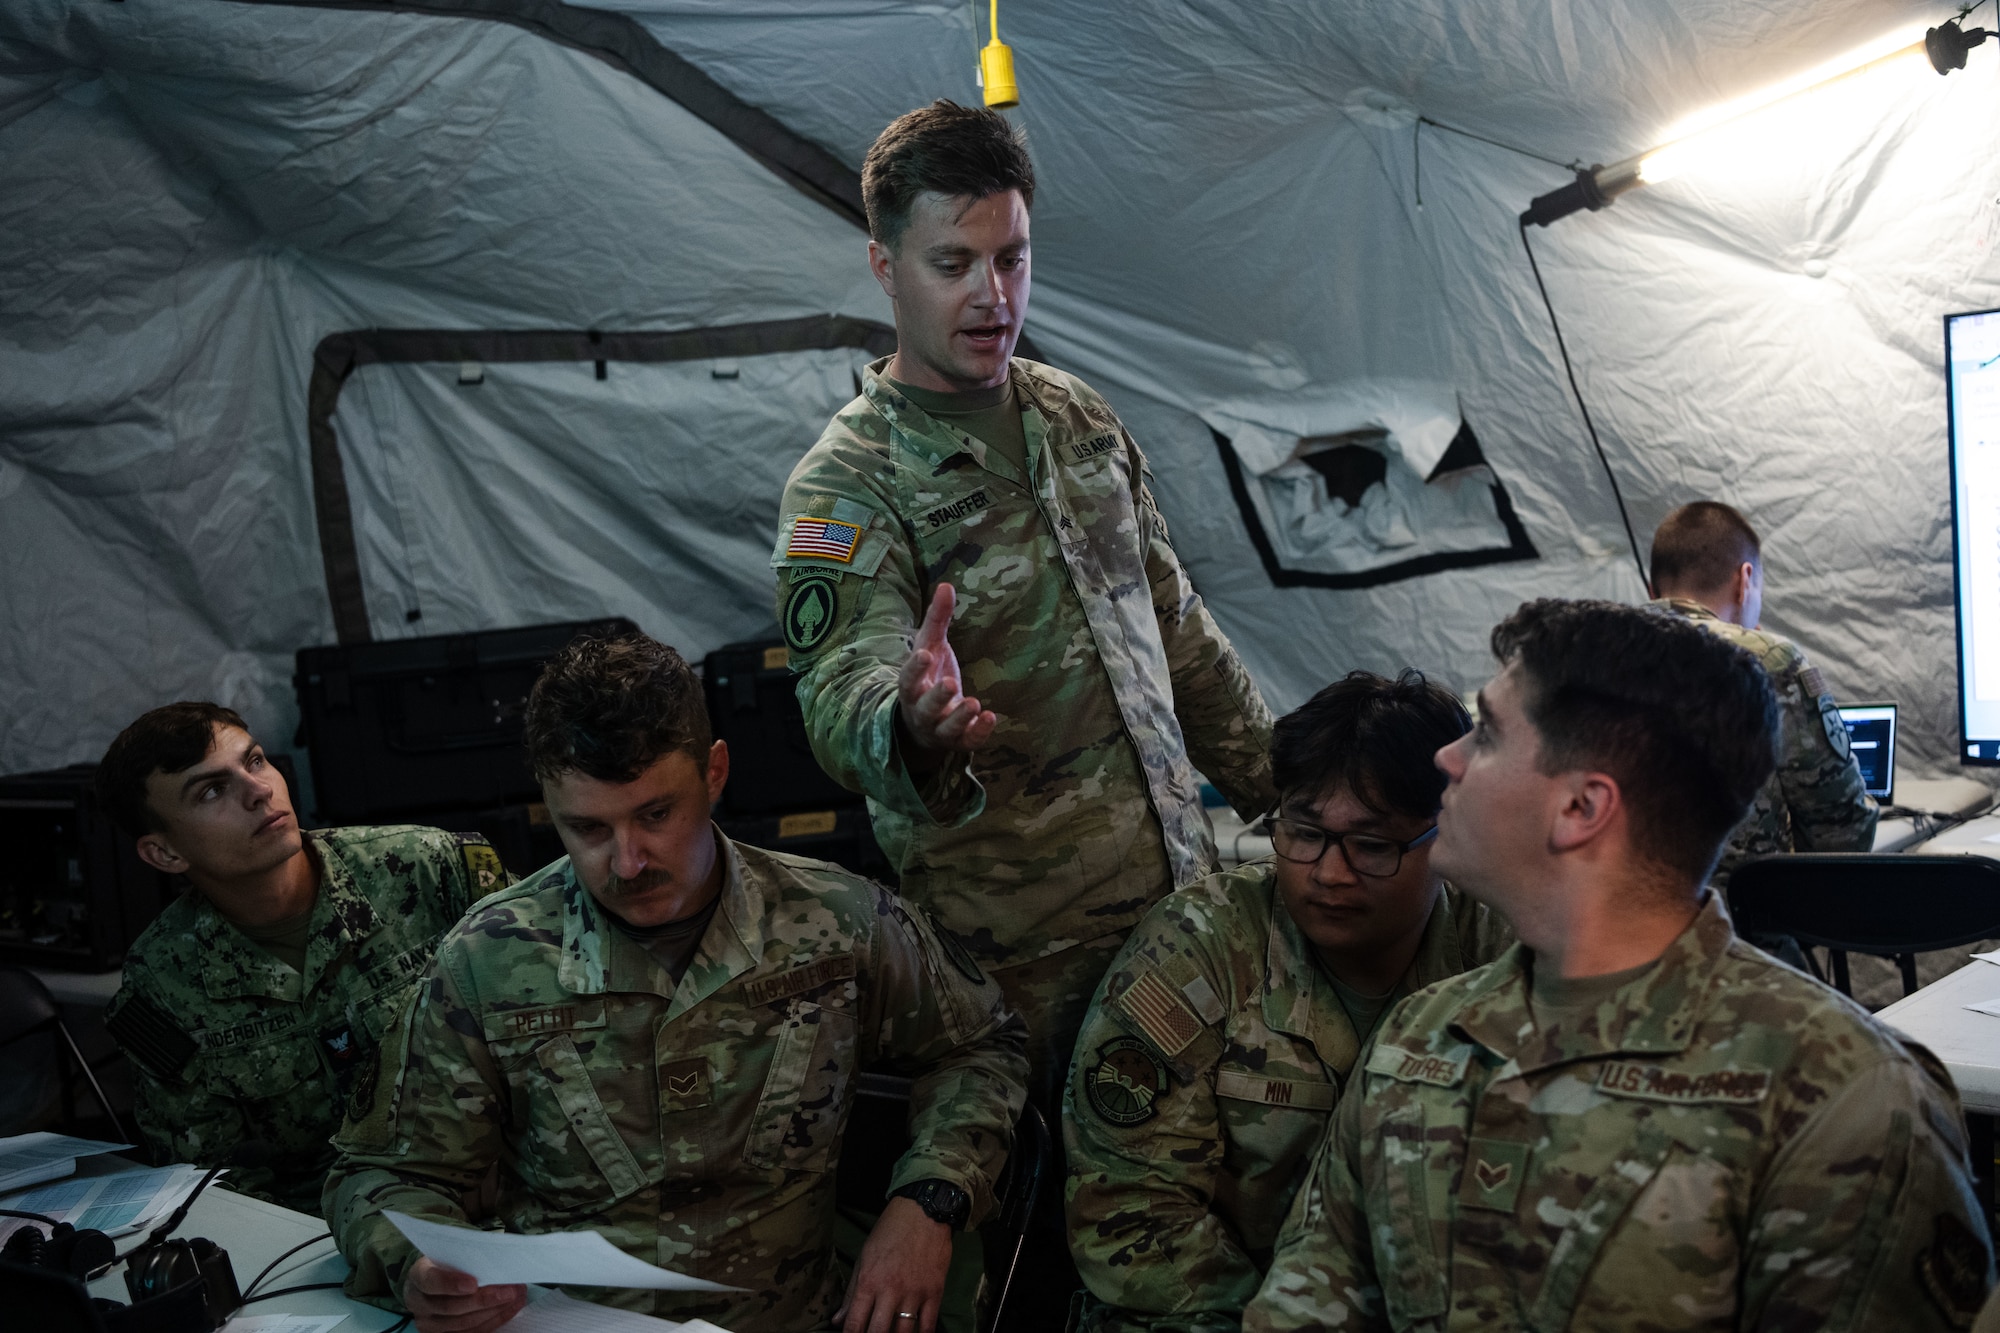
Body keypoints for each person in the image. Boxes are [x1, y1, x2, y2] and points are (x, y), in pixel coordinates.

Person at [1242, 599, 1994, 1332]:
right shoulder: (1421, 1039)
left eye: (1488, 734)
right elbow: (1310, 1297)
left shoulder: (1843, 1104)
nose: (1447, 757)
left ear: (1580, 808)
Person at [777, 96, 1273, 1116]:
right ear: (884, 267)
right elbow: (838, 685)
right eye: (951, 263)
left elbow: (1174, 629)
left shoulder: (1074, 414)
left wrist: (1286, 785)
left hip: (1184, 911)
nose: (990, 295)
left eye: (1010, 258)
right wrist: (906, 718)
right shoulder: (845, 484)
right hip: (1024, 967)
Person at [324, 634, 1028, 1333]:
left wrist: (928, 1202)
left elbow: (983, 1044)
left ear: (714, 771)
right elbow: (378, 1174)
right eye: (587, 828)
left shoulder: (835, 919)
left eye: (656, 815)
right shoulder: (489, 959)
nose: (628, 862)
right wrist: (417, 1264)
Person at [1063, 670, 1513, 1332]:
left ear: (1447, 836)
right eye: (1302, 832)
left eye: (1371, 844)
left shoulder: (1504, 950)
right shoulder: (1199, 951)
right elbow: (1130, 1209)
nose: (1330, 872)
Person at [96, 702, 506, 1215]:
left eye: (256, 761)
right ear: (165, 854)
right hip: (318, 1239)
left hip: (507, 1191)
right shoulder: (162, 981)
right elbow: (212, 1181)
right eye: (212, 790)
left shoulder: (426, 868)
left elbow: (566, 1035)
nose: (259, 791)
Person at [1650, 500, 1876, 878]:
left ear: (1652, 588)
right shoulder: (1766, 659)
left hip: (1596, 927)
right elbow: (1841, 833)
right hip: (1732, 925)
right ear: (1744, 581)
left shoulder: (1588, 649)